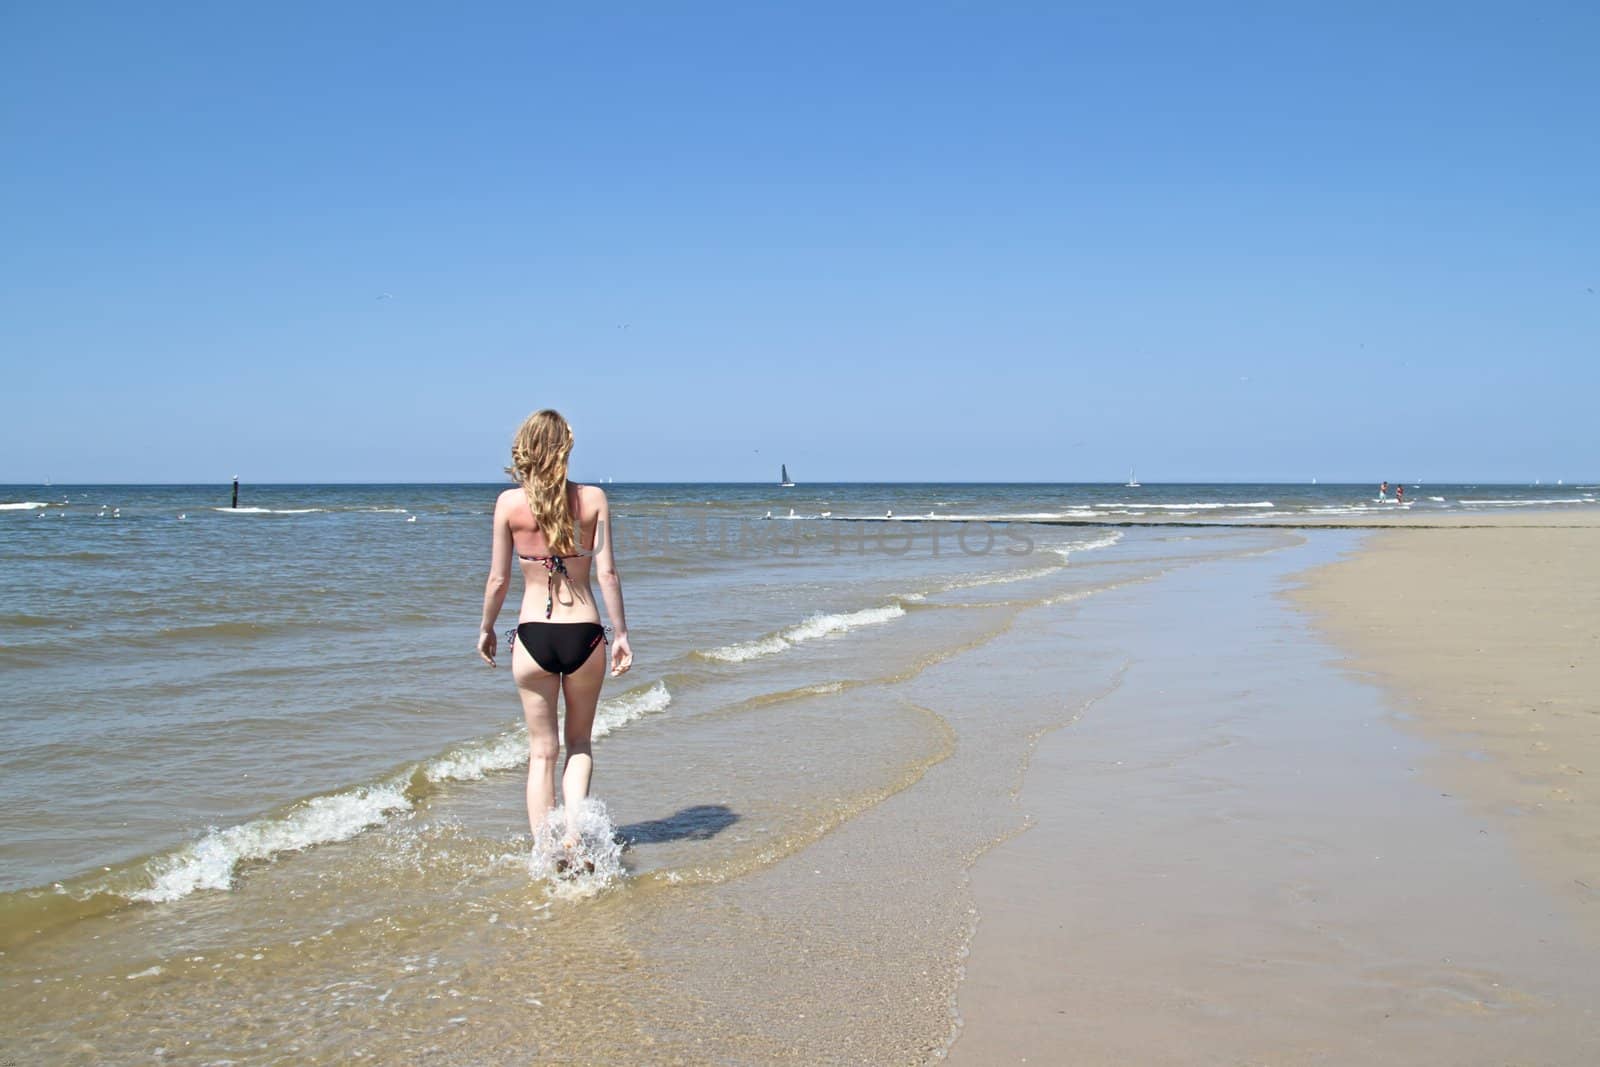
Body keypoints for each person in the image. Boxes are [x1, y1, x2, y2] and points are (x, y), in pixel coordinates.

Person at [477, 409, 632, 869]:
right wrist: (621, 634)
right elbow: (607, 573)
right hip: (585, 634)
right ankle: (571, 836)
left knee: (541, 752)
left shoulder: (508, 504)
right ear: (566, 446)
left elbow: (497, 581)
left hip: (531, 638)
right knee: (579, 743)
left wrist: (486, 629)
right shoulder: (593, 499)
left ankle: (545, 854)